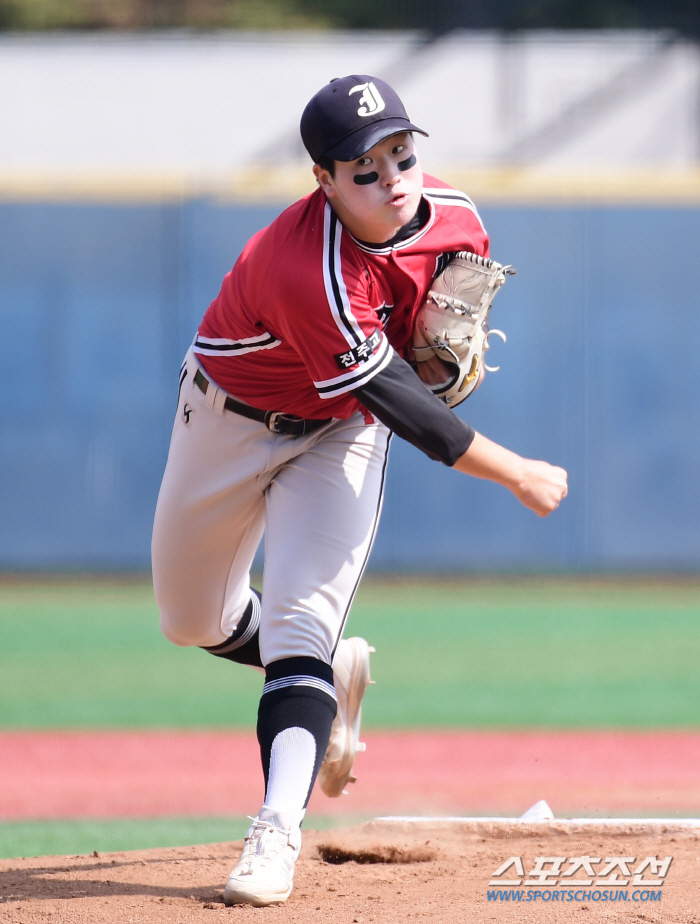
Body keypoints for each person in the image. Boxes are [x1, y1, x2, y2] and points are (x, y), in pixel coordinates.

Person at [151, 74, 568, 908]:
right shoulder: (307, 268)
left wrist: (440, 359)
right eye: (364, 170)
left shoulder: (456, 220)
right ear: (325, 182)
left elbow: (419, 372)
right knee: (191, 621)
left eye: (401, 156)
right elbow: (414, 412)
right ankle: (329, 669)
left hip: (340, 434)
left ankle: (274, 833)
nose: (391, 179)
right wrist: (516, 469)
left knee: (299, 627)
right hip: (230, 419)